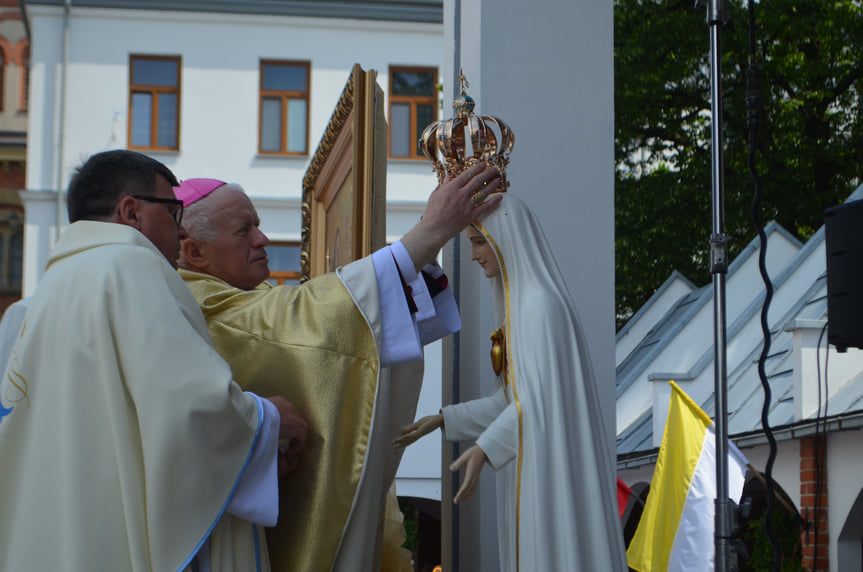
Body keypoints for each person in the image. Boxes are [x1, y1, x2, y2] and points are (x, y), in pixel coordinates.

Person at [173, 164, 501, 572]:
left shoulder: (235, 298)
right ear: (193, 252)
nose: (263, 239)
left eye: (258, 225)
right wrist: (430, 231)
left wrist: (428, 236)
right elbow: (307, 318)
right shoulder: (193, 305)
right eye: (244, 230)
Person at [0, 149, 308, 572]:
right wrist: (270, 421)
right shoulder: (131, 266)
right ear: (132, 212)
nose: (180, 230)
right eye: (173, 211)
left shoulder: (27, 308)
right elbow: (191, 408)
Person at [396, 193, 628, 571]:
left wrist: (486, 448)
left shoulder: (540, 307)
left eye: (478, 241)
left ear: (507, 237)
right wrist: (444, 419)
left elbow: (540, 402)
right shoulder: (520, 308)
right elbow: (511, 401)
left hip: (551, 473)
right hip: (533, 463)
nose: (473, 255)